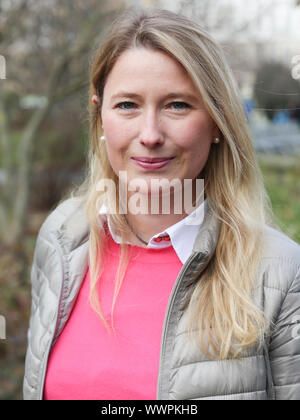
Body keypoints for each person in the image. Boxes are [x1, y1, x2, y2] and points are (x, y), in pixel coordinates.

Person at [23, 7, 300, 400]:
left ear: (218, 121)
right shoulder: (63, 239)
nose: (150, 134)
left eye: (177, 105)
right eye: (127, 105)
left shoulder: (282, 274)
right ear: (100, 117)